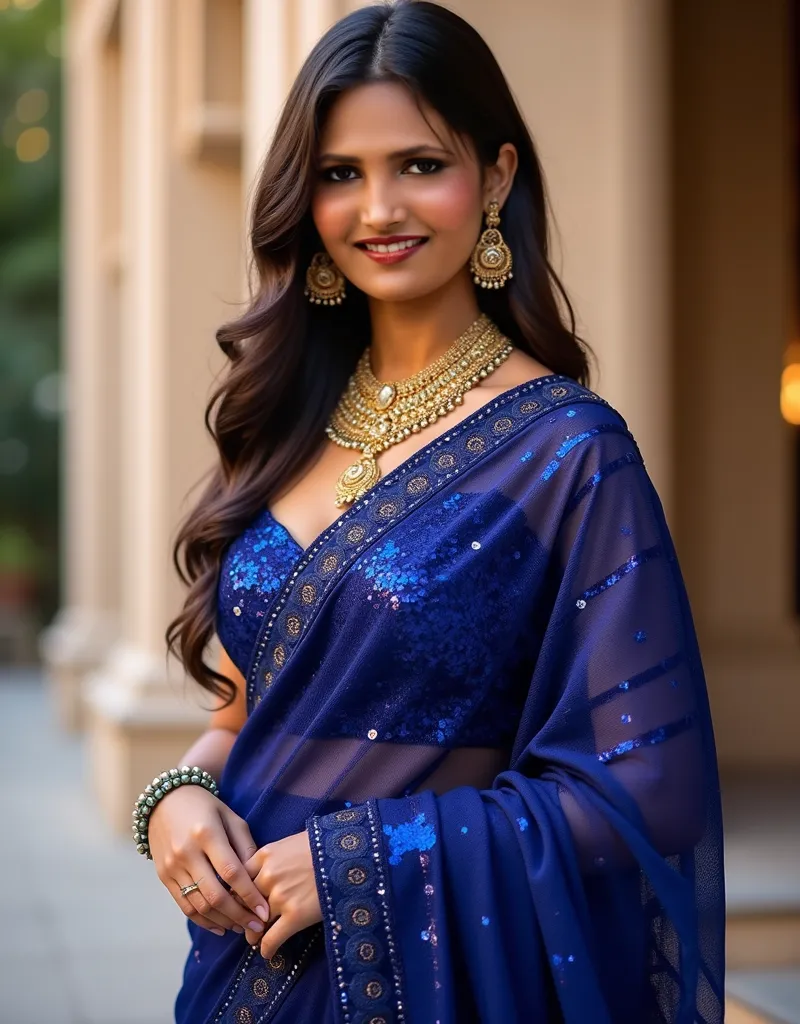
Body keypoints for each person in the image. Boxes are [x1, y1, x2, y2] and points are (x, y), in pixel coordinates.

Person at [138, 3, 725, 1021]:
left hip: (436, 980)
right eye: (339, 173)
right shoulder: (286, 421)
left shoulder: (567, 453)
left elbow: (649, 786)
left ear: (495, 176)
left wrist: (360, 861)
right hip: (245, 974)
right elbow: (239, 717)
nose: (376, 208)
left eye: (417, 164)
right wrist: (175, 798)